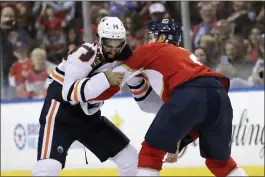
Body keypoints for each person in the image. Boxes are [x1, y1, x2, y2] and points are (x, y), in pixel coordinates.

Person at [94, 19, 248, 176]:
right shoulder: (183, 54)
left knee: (150, 154)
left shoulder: (150, 50)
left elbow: (115, 79)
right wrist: (174, 140)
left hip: (190, 94)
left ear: (161, 38)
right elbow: (177, 110)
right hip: (219, 96)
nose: (148, 40)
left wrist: (85, 94)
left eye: (152, 35)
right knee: (220, 163)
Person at [32, 16, 138, 176]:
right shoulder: (84, 55)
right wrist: (105, 79)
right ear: (99, 39)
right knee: (49, 168)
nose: (114, 49)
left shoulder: (126, 57)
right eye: (109, 42)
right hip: (60, 114)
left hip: (89, 117)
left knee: (130, 160)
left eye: (118, 43)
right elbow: (68, 94)